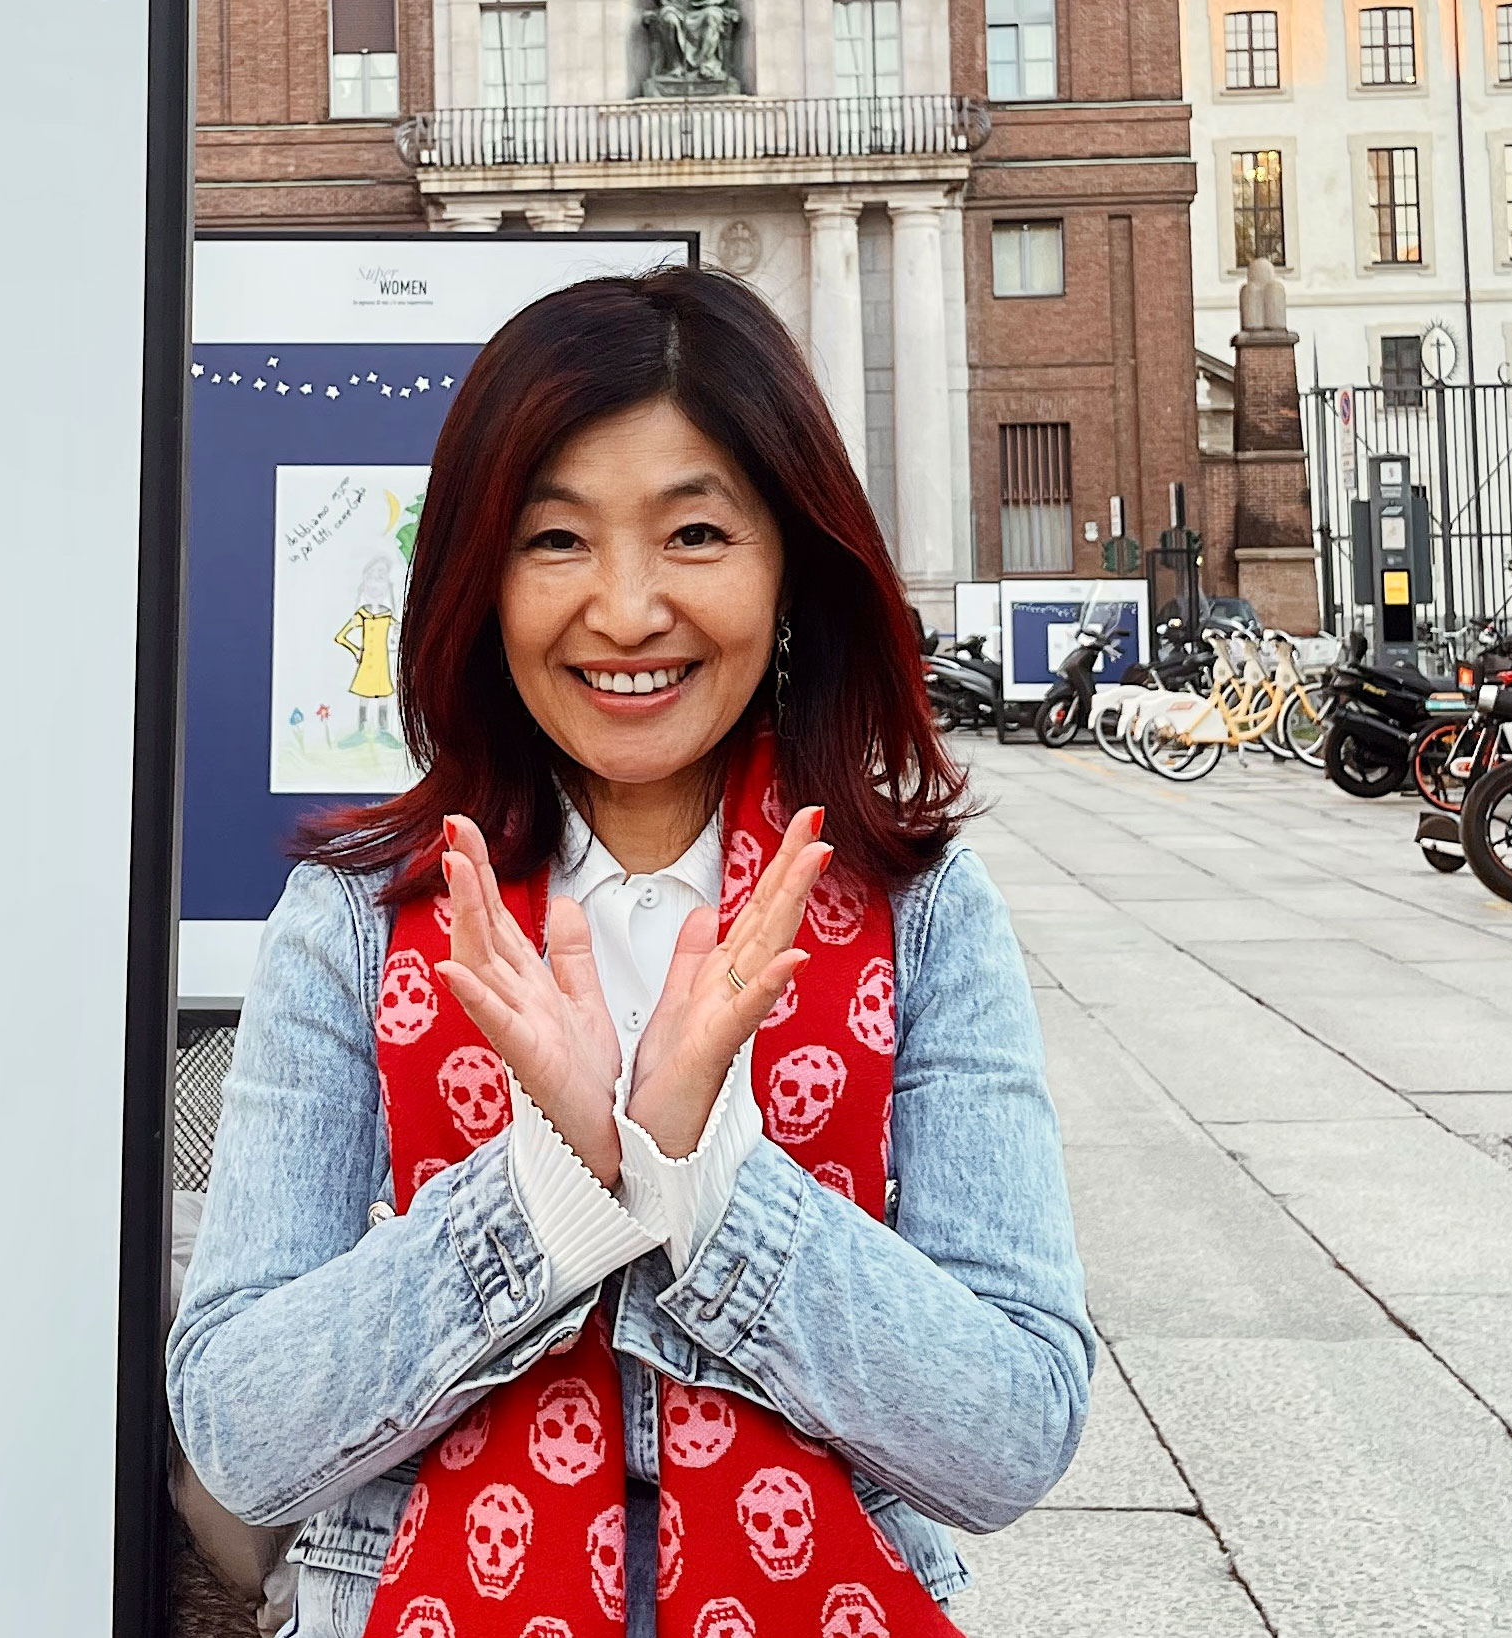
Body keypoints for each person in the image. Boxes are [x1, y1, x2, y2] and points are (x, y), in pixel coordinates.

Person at [169, 266, 1090, 1638]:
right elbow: (244, 1427)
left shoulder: (922, 911)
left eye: (695, 534)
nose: (625, 609)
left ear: (793, 562)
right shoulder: (357, 916)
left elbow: (1010, 1429)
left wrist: (701, 1169)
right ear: (477, 579)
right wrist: (559, 1185)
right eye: (556, 541)